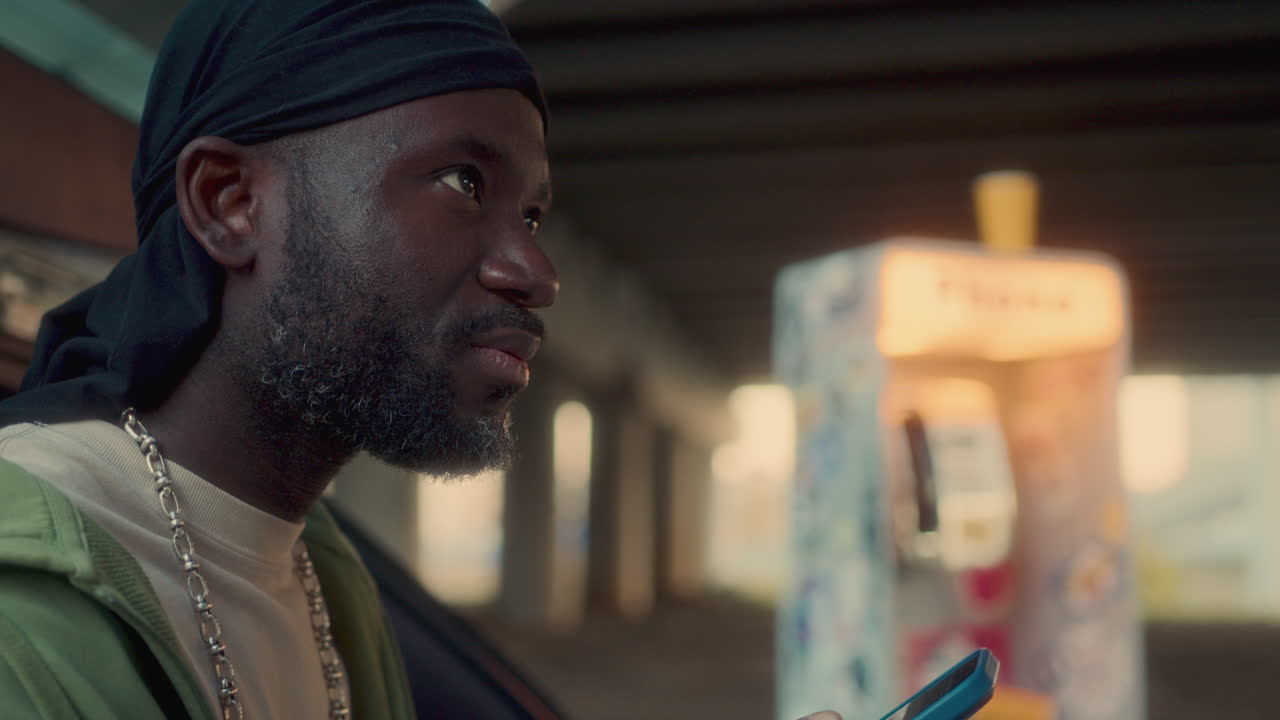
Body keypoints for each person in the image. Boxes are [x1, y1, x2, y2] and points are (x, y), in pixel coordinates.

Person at [0, 1, 845, 718]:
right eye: (463, 184)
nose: (536, 274)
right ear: (230, 202)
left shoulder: (326, 571)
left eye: (535, 216)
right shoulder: (24, 611)